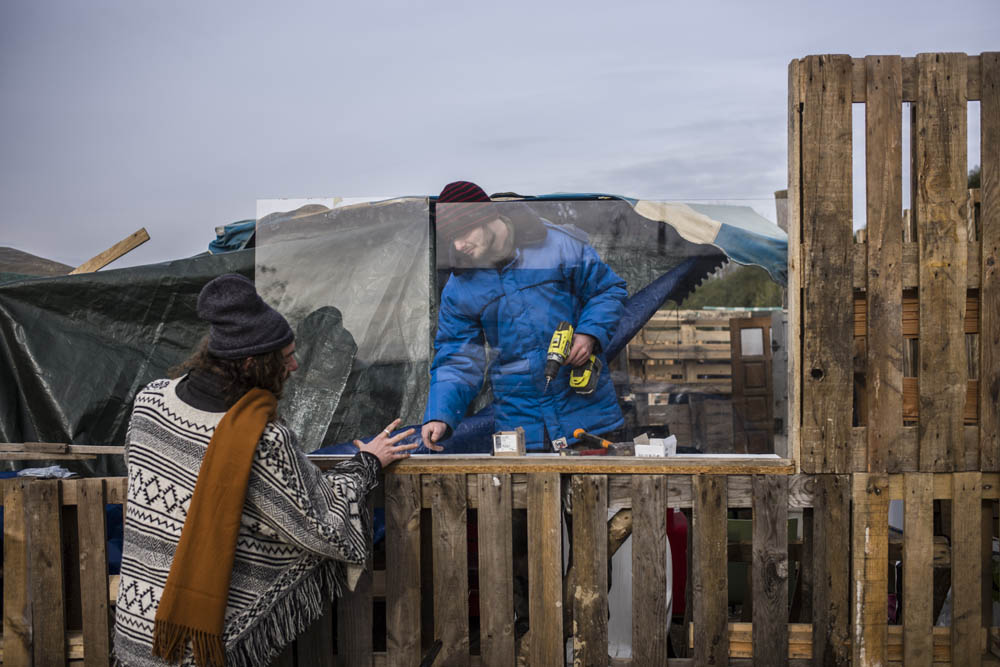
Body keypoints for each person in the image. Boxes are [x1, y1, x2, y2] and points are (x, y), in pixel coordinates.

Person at [112, 273, 416, 667]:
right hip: (197, 641)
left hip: (137, 621)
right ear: (253, 364)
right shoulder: (262, 439)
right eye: (286, 355)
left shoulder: (151, 401)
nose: (295, 364)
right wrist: (368, 463)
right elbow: (325, 526)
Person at [421, 180, 628, 452]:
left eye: (463, 233)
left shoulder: (559, 247)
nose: (459, 246)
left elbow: (608, 291)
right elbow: (457, 357)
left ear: (486, 217)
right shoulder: (459, 287)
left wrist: (589, 334)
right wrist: (440, 414)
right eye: (452, 239)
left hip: (587, 416)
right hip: (521, 429)